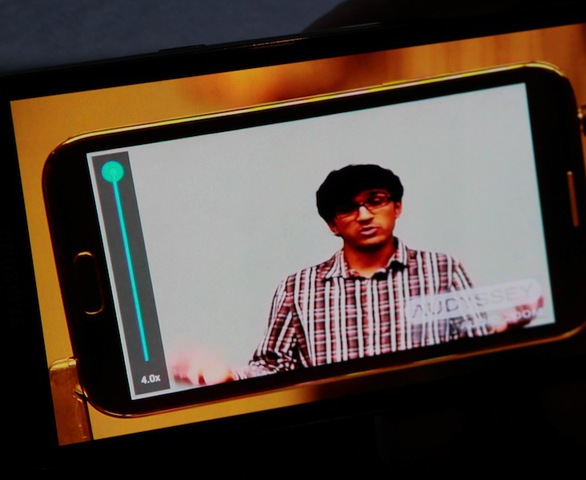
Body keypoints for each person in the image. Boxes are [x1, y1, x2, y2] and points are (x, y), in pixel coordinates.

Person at [171, 163, 538, 385]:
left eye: (375, 200)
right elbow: (274, 367)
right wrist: (229, 376)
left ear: (397, 207)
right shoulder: (298, 288)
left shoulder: (442, 269)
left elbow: (474, 349)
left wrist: (506, 332)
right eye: (348, 208)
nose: (364, 215)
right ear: (333, 224)